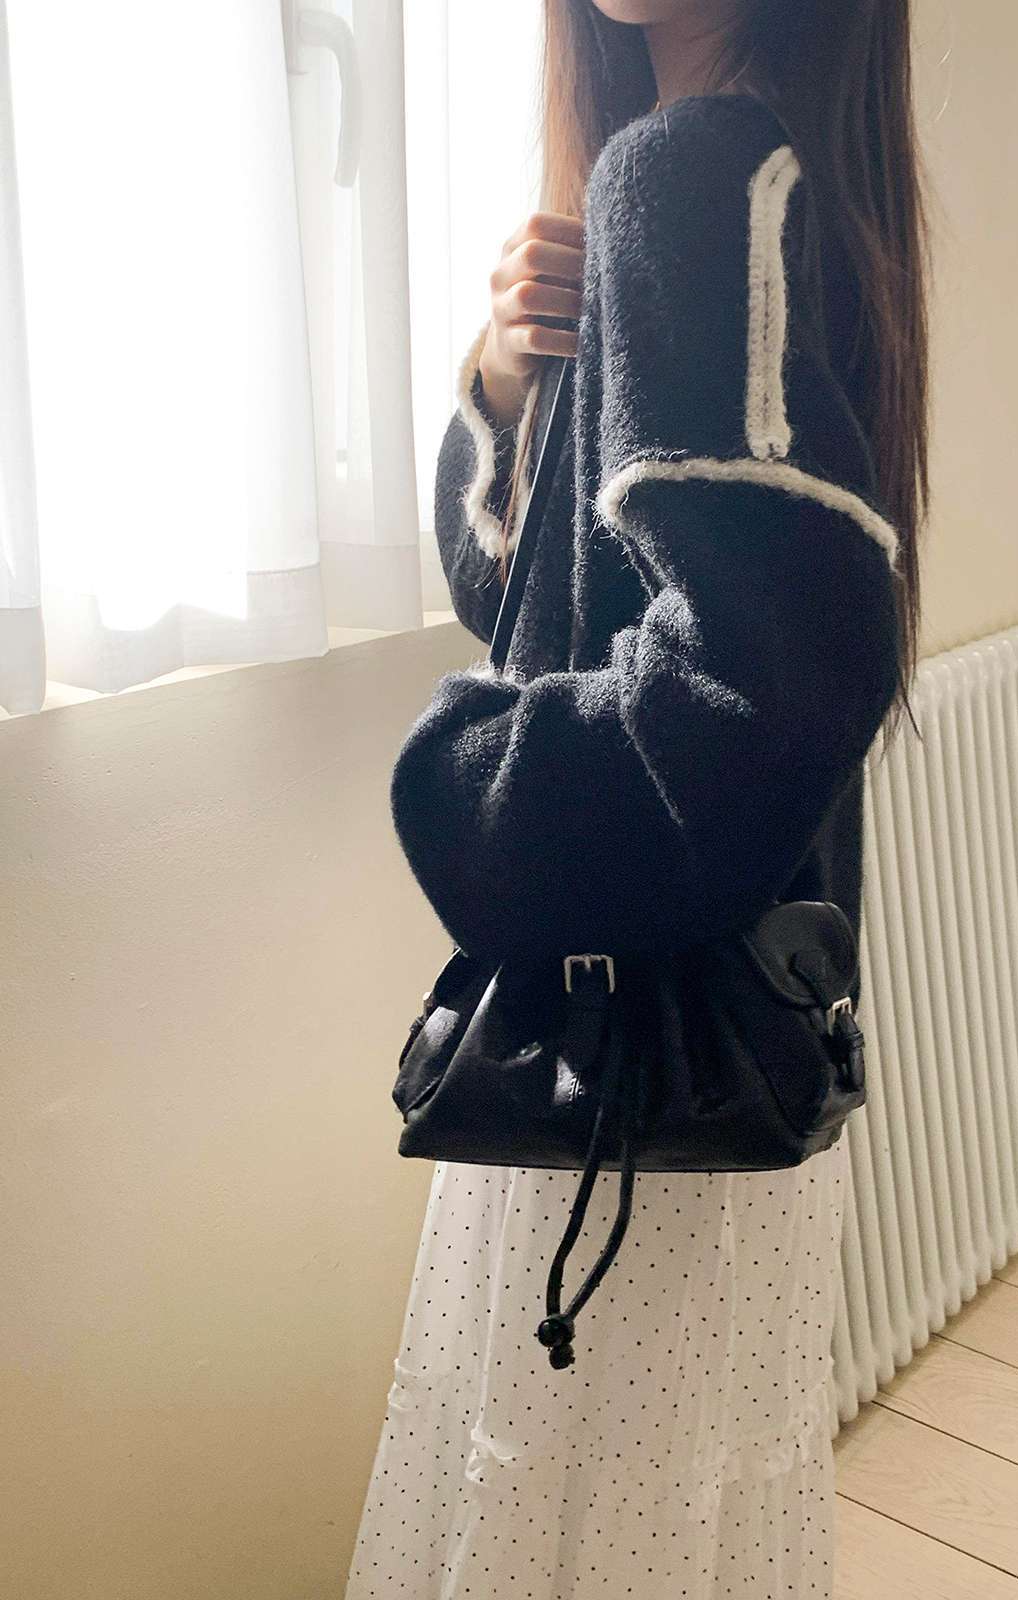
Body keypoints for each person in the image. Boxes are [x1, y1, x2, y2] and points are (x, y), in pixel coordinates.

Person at [346, 2, 929, 1595]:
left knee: (564, 1505)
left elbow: (772, 673)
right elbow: (523, 602)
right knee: (661, 1510)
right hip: (717, 1023)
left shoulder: (690, 171)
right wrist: (506, 381)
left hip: (619, 1043)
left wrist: (476, 795)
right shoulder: (782, 170)